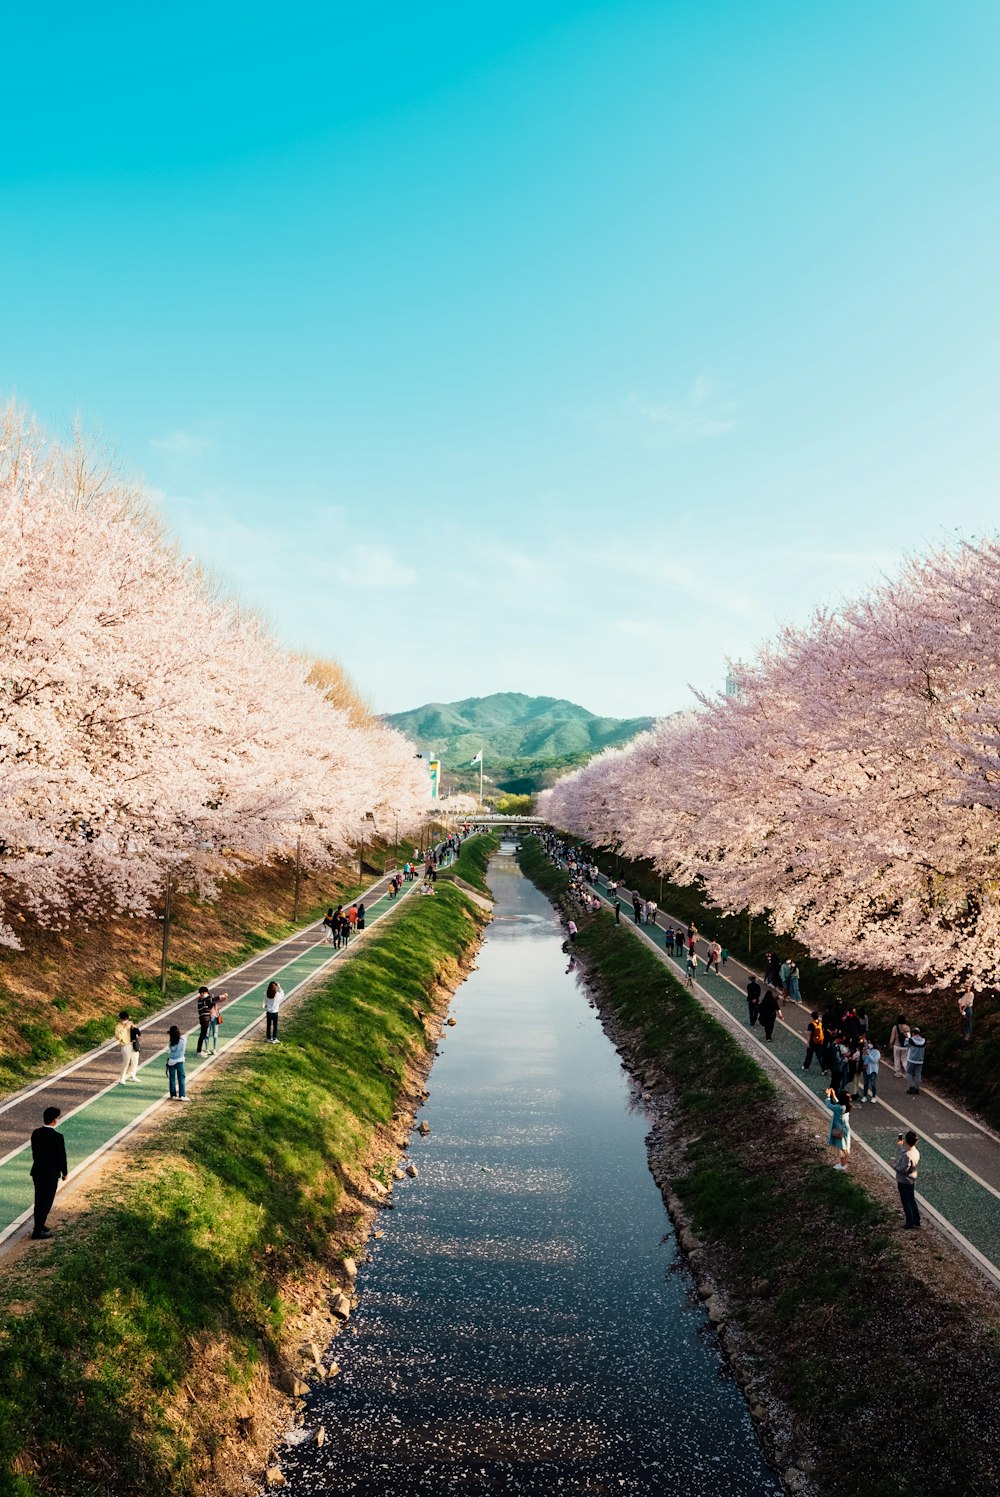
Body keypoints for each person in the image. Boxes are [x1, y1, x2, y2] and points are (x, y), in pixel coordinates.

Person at [30, 1105, 68, 1239]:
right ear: (55, 1120)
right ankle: (37, 1230)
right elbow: (61, 1156)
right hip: (50, 1174)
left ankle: (40, 1225)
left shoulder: (36, 1133)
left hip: (37, 1171)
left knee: (39, 1199)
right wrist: (65, 1172)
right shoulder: (57, 1136)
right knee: (46, 1201)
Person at [895, 1131, 921, 1227]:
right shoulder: (915, 1152)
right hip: (912, 1180)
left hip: (904, 1181)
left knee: (906, 1202)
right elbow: (904, 1153)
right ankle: (916, 1219)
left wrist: (894, 1166)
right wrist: (900, 1147)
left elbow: (903, 1169)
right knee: (912, 1200)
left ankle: (909, 1222)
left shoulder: (907, 1155)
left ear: (907, 1141)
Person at [825, 1088, 852, 1169]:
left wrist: (828, 1096)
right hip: (845, 1129)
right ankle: (844, 1163)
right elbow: (838, 1103)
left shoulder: (838, 1108)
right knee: (845, 1146)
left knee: (841, 1147)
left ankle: (842, 1165)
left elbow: (829, 1105)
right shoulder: (846, 1106)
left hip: (839, 1130)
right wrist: (834, 1096)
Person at [114, 1008, 140, 1083]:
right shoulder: (118, 1027)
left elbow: (137, 1033)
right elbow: (118, 1037)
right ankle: (122, 1077)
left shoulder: (130, 1024)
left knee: (135, 1060)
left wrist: (134, 1028)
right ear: (120, 1019)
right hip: (125, 1045)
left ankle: (133, 1074)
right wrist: (125, 1027)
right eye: (124, 1019)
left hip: (133, 1043)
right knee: (126, 1062)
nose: (125, 1020)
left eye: (126, 1019)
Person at [166, 1025, 187, 1100]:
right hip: (180, 1061)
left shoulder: (170, 1043)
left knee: (172, 1079)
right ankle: (182, 1095)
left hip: (171, 1061)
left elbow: (170, 1052)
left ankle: (173, 1095)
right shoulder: (183, 1040)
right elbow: (184, 1036)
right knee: (181, 1078)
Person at [906, 1027, 926, 1094]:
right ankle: (917, 1089)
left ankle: (911, 1087)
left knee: (909, 1073)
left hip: (911, 1059)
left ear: (913, 1033)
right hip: (920, 1060)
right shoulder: (923, 1041)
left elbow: (905, 1044)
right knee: (918, 1074)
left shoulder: (910, 1040)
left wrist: (908, 1038)